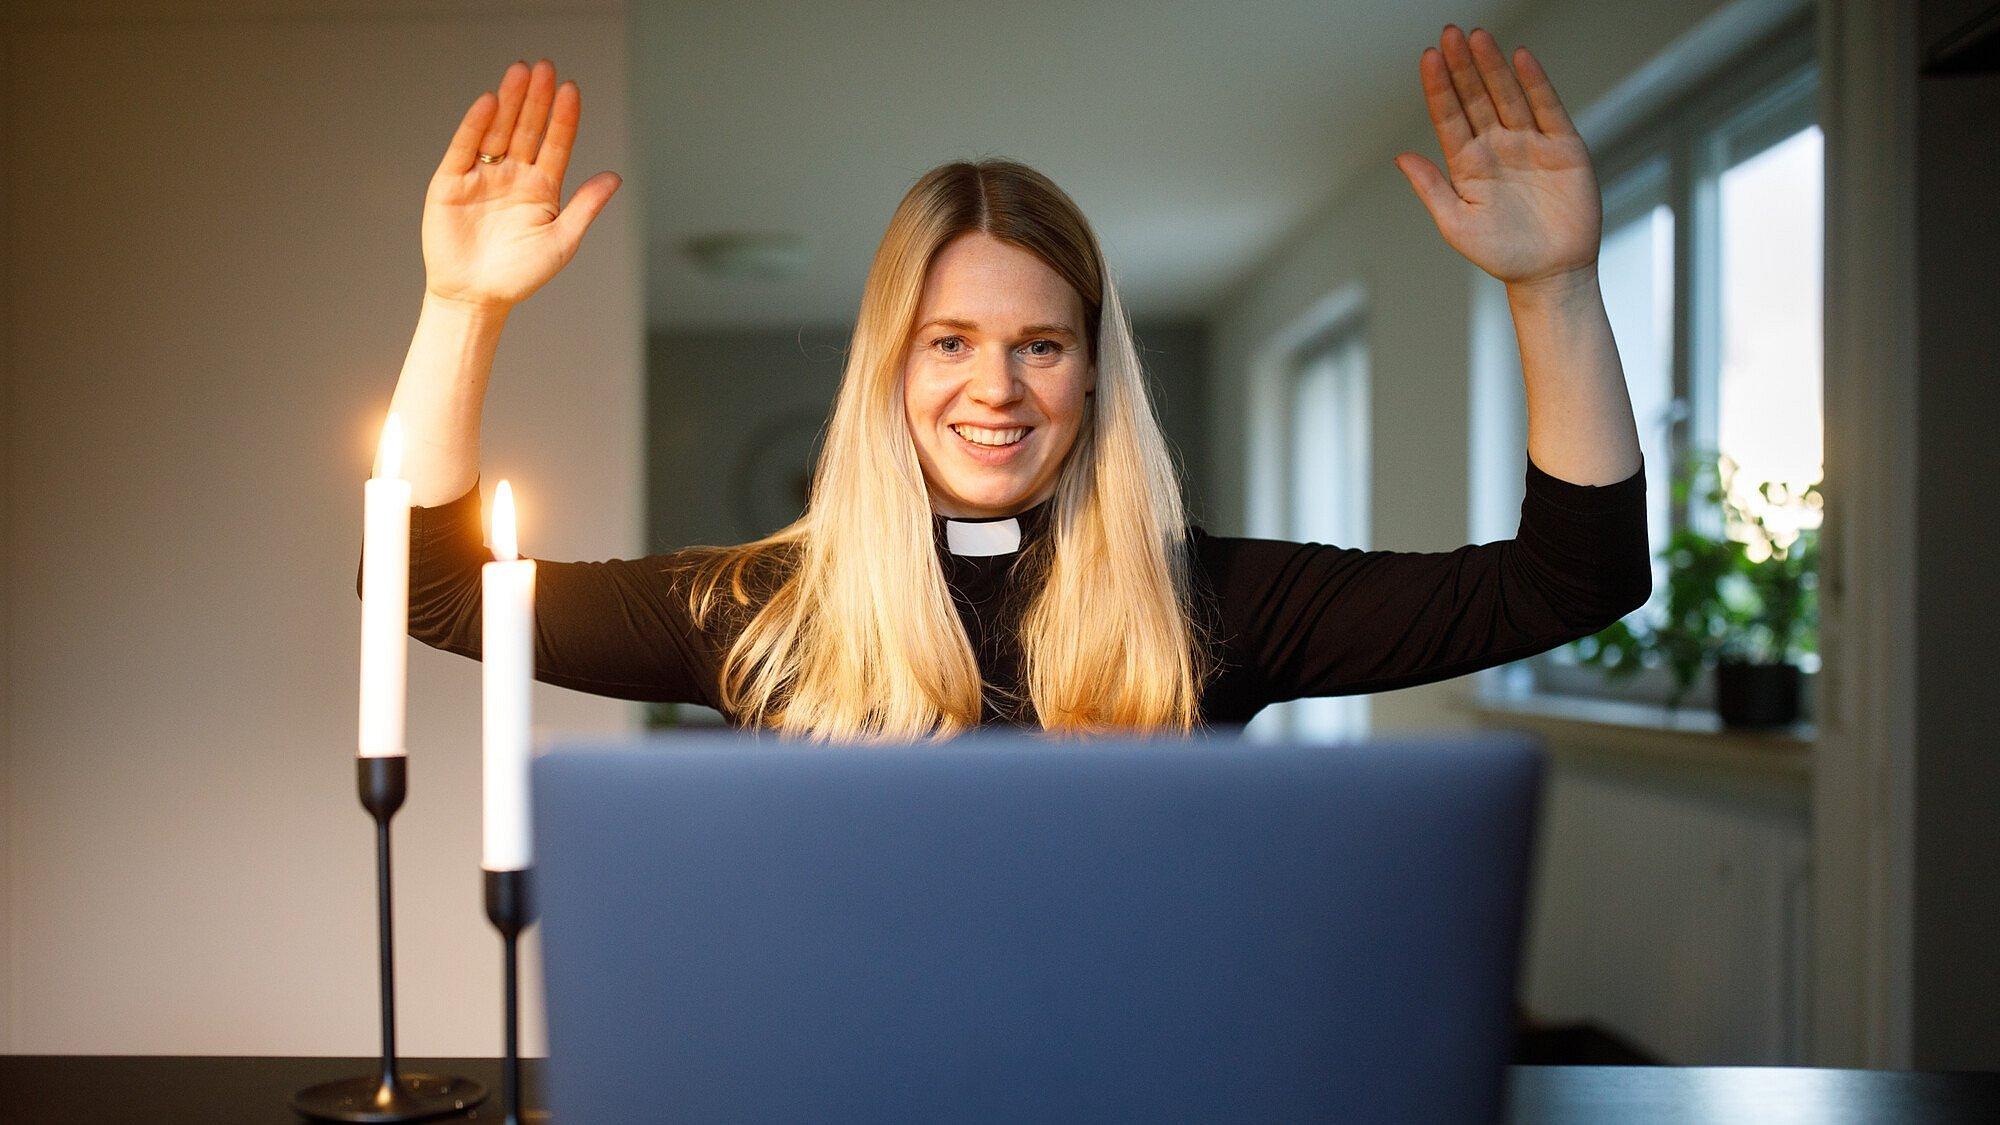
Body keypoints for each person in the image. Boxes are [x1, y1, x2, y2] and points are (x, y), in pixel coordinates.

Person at [372, 26, 1650, 742]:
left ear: (1091, 371)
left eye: (1039, 344)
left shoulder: (1207, 605)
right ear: (889, 369)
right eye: (947, 342)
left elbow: (1572, 582)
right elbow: (431, 589)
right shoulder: (758, 612)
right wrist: (459, 307)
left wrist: (1552, 289)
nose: (996, 388)